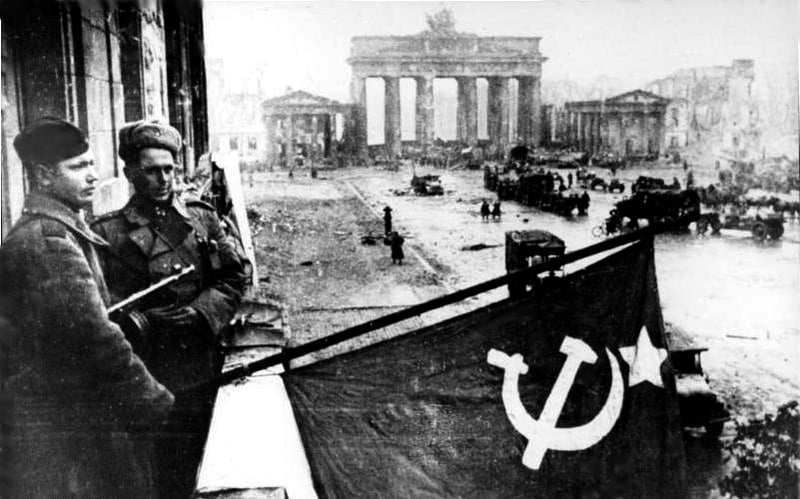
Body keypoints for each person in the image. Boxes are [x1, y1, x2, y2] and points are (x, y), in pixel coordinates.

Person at [0, 117, 174, 498]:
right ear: (43, 175)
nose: (94, 176)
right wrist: (152, 399)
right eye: (79, 167)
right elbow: (94, 340)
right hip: (72, 432)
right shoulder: (49, 241)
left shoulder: (58, 230)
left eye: (93, 163)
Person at [91, 120, 247, 498]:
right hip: (146, 372)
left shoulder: (202, 217)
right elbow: (98, 308)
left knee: (205, 464)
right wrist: (141, 322)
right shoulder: (107, 232)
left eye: (169, 169)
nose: (163, 179)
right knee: (157, 472)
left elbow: (235, 275)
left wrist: (201, 312)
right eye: (151, 171)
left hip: (200, 363)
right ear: (130, 173)